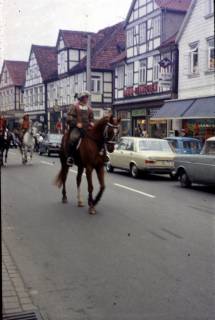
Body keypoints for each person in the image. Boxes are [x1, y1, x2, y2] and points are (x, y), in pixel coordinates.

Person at [66, 91, 94, 166]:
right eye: (85, 97)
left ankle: (100, 155)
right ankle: (70, 157)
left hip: (87, 128)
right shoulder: (74, 106)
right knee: (73, 138)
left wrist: (91, 123)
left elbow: (91, 118)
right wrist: (76, 123)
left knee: (96, 138)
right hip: (77, 128)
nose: (87, 99)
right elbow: (69, 117)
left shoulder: (89, 108)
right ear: (82, 98)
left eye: (87, 97)